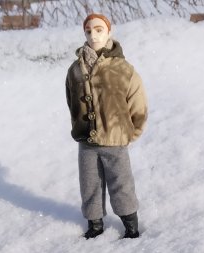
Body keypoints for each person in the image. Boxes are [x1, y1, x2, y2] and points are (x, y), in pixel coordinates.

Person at [66, 13, 147, 239]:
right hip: (87, 141)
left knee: (121, 183)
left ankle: (130, 225)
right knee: (89, 184)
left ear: (109, 32)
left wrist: (133, 129)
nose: (94, 35)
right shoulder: (75, 69)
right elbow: (71, 100)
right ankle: (95, 224)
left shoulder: (122, 68)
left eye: (99, 29)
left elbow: (137, 99)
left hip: (115, 138)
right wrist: (78, 125)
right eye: (89, 30)